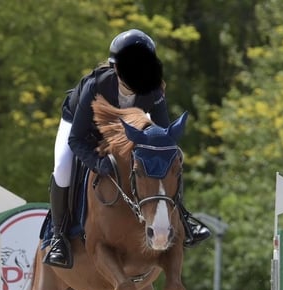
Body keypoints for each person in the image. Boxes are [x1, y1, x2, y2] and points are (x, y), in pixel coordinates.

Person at [43, 29, 211, 268]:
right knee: (62, 167)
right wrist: (99, 163)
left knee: (172, 158)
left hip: (124, 131)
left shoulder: (153, 90)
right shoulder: (96, 86)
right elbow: (77, 140)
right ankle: (59, 236)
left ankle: (183, 218)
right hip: (82, 127)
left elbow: (164, 138)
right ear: (117, 68)